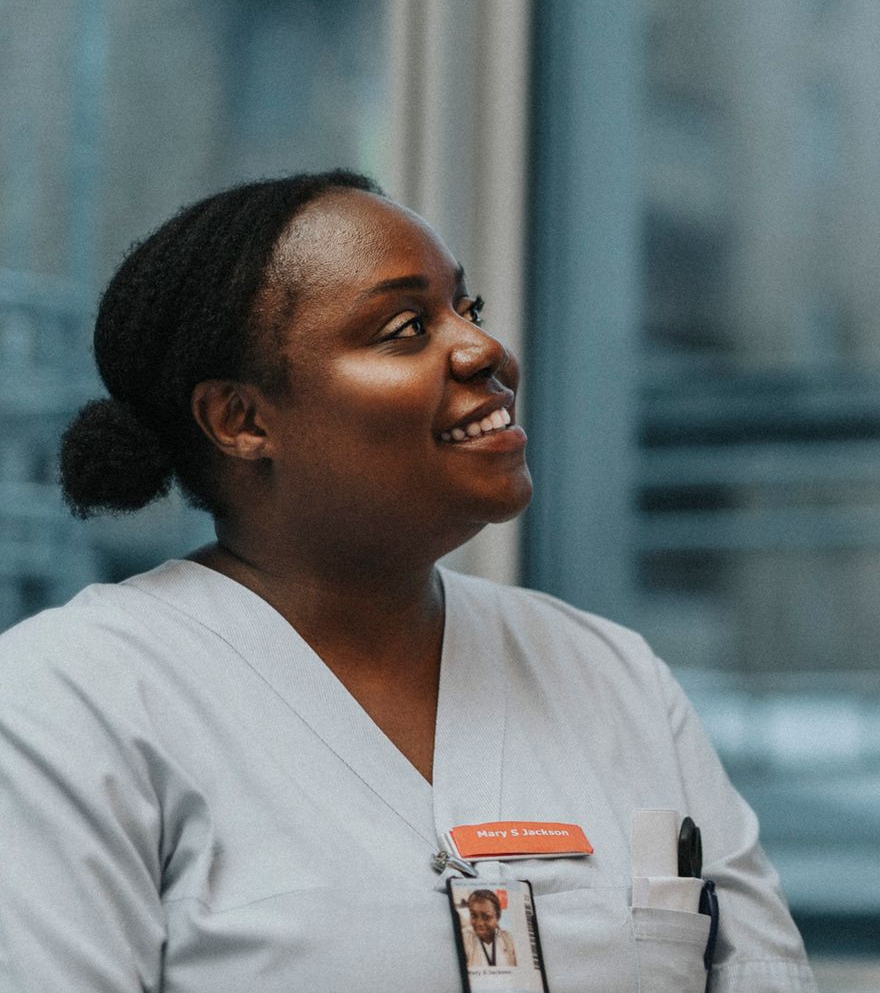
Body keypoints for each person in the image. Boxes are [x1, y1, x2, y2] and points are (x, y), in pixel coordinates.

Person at [0, 174, 815, 992]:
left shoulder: (615, 674)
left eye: (470, 309)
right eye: (405, 327)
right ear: (241, 420)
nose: (483, 350)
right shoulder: (74, 702)